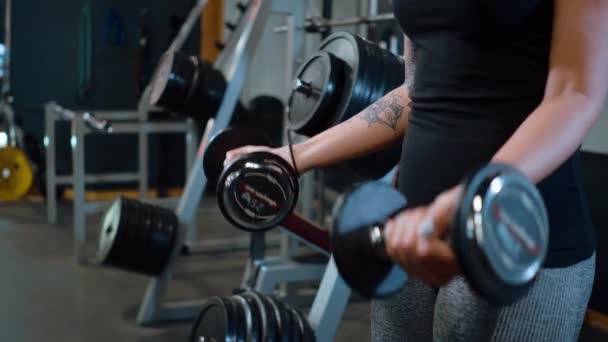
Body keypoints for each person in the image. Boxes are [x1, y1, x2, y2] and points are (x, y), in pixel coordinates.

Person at [226, 0, 608, 340]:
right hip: (408, 229)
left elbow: (573, 93)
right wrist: (293, 158)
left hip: (513, 235)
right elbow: (414, 91)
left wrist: (472, 198)